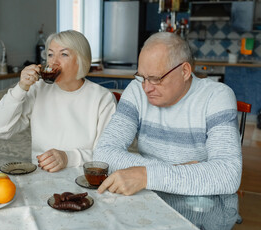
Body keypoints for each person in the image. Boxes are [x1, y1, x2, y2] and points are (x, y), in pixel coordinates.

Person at [94, 32, 242, 196]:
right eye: (142, 77)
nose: (146, 88)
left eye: (156, 78)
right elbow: (103, 153)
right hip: (148, 195)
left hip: (198, 201)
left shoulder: (217, 96)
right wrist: (177, 172)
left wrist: (145, 175)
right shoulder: (136, 90)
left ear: (185, 71)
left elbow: (228, 174)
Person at [0, 30, 116, 173]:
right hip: (41, 177)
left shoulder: (102, 98)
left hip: (84, 179)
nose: (53, 61)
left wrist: (67, 157)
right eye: (50, 54)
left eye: (64, 54)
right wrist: (21, 88)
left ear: (81, 59)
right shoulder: (37, 89)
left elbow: (107, 155)